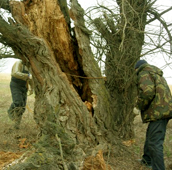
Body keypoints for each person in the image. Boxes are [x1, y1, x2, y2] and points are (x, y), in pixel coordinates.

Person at [135, 59, 172, 170]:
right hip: (162, 112)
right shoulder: (155, 74)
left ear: (137, 68)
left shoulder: (144, 73)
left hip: (158, 113)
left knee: (155, 143)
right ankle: (146, 160)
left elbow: (147, 92)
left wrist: (139, 105)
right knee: (150, 137)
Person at [8, 60, 34, 129]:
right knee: (18, 102)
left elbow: (30, 78)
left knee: (22, 107)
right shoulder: (19, 63)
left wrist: (32, 88)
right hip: (16, 85)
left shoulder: (30, 66)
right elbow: (15, 73)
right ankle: (10, 111)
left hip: (24, 86)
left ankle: (16, 125)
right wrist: (27, 76)